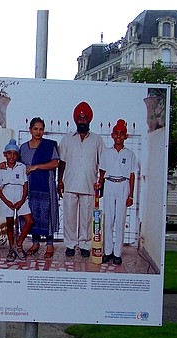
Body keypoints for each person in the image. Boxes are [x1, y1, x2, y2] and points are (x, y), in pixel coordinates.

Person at [2, 117, 59, 258]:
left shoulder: (49, 145)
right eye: (35, 129)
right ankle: (35, 243)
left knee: (48, 213)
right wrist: (2, 165)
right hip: (30, 186)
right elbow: (16, 164)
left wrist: (36, 166)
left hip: (46, 184)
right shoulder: (24, 148)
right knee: (32, 213)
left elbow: (55, 163)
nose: (38, 132)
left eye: (41, 129)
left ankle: (50, 245)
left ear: (43, 131)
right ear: (30, 130)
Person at [58, 102, 104, 258]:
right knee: (69, 218)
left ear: (89, 120)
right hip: (70, 184)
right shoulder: (68, 139)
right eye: (80, 118)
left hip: (89, 184)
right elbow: (61, 162)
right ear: (76, 120)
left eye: (85, 118)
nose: (82, 120)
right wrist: (60, 181)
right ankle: (70, 244)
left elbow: (103, 163)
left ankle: (85, 245)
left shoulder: (97, 140)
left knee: (87, 218)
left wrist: (102, 182)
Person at [95, 119, 137, 265]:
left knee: (120, 220)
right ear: (112, 135)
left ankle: (117, 253)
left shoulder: (130, 154)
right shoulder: (106, 153)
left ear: (126, 136)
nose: (119, 136)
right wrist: (100, 184)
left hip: (123, 185)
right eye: (116, 134)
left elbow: (132, 175)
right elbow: (103, 171)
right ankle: (108, 252)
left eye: (122, 134)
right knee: (108, 220)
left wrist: (131, 195)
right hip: (110, 184)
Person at [0, 140, 34, 261]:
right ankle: (12, 249)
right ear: (4, 154)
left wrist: (22, 200)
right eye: (9, 153)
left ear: (18, 155)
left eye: (14, 154)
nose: (12, 156)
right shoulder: (1, 169)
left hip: (20, 195)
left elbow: (25, 184)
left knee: (29, 221)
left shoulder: (21, 167)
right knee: (10, 224)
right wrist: (7, 202)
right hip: (7, 196)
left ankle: (18, 244)